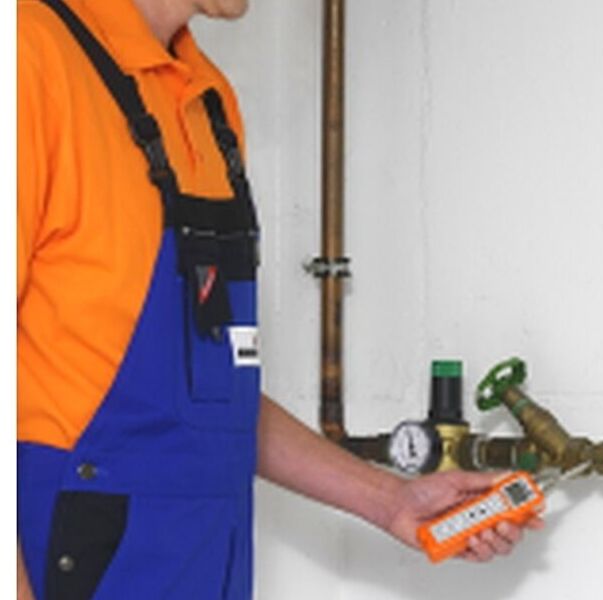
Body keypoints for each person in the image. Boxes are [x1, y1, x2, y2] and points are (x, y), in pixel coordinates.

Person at [17, 0, 542, 598]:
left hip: (203, 567)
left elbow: (211, 401)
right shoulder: (28, 55)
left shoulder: (208, 100)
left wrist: (391, 500)